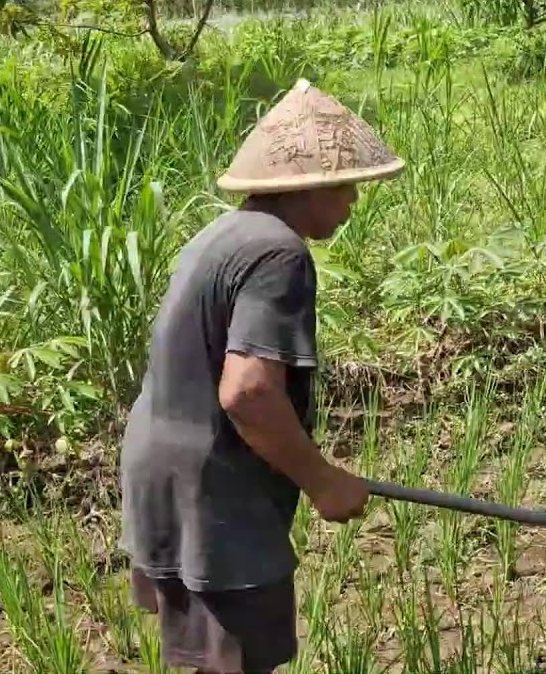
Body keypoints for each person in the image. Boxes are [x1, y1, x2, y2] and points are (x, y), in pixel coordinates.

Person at [119, 79, 405, 674]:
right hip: (214, 492)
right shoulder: (280, 254)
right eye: (346, 187)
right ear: (304, 188)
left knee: (213, 661)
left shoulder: (220, 235)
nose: (353, 201)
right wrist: (323, 480)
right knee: (238, 662)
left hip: (164, 474)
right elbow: (248, 392)